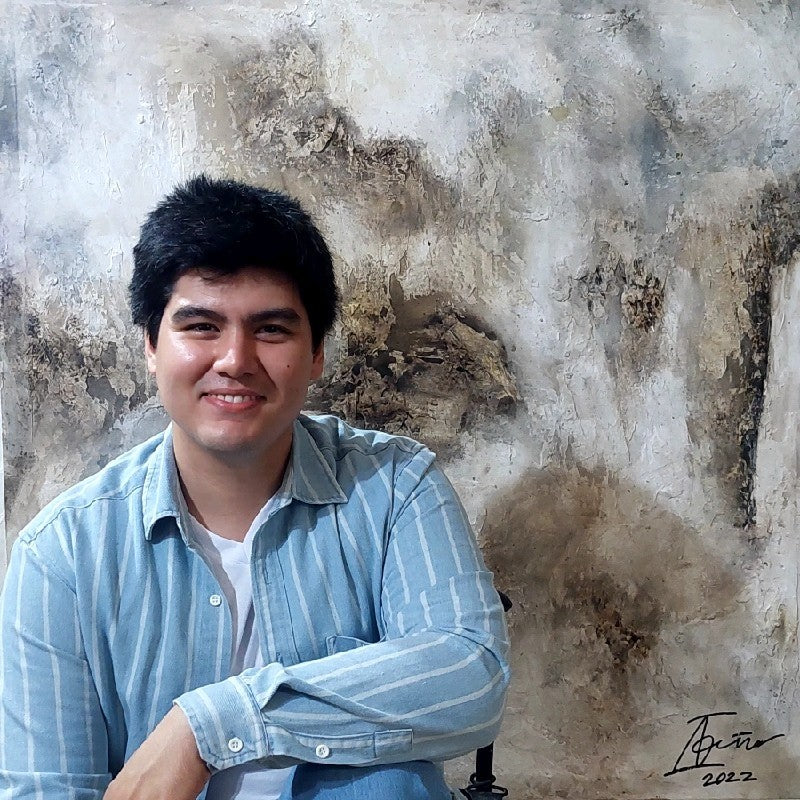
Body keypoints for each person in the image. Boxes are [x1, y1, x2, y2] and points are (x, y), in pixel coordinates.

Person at [0, 176, 510, 800]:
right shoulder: (62, 554)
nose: (235, 360)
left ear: (316, 353)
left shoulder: (395, 488)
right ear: (151, 346)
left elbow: (470, 671)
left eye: (270, 329)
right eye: (201, 326)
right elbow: (46, 787)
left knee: (379, 784)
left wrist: (210, 725)